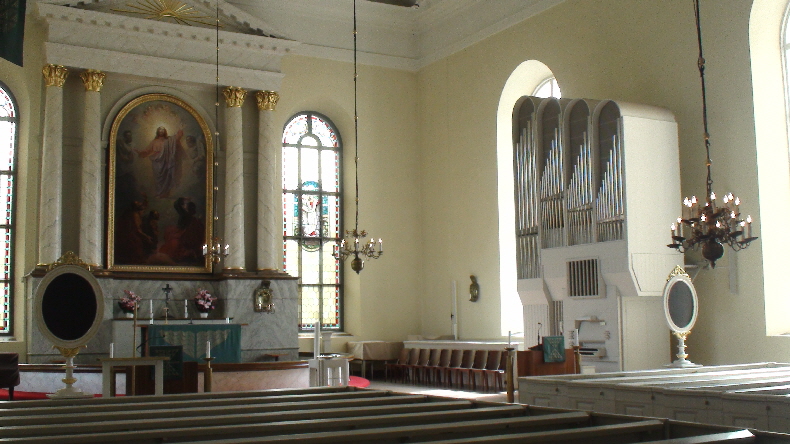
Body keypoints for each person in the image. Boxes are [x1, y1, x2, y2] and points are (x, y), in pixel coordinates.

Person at [136, 126, 183, 198]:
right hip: (157, 162)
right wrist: (141, 152)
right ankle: (159, 193)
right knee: (158, 178)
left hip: (166, 161)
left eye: (163, 130)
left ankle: (166, 193)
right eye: (160, 130)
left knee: (166, 177)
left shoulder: (168, 140)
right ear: (158, 132)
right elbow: (147, 150)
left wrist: (180, 130)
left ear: (165, 132)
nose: (161, 131)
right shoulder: (154, 141)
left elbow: (176, 138)